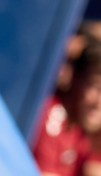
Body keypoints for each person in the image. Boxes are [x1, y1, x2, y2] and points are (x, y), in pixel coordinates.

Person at [33, 43, 101, 176]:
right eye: (96, 87)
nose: (98, 103)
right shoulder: (50, 113)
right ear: (76, 79)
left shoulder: (86, 131)